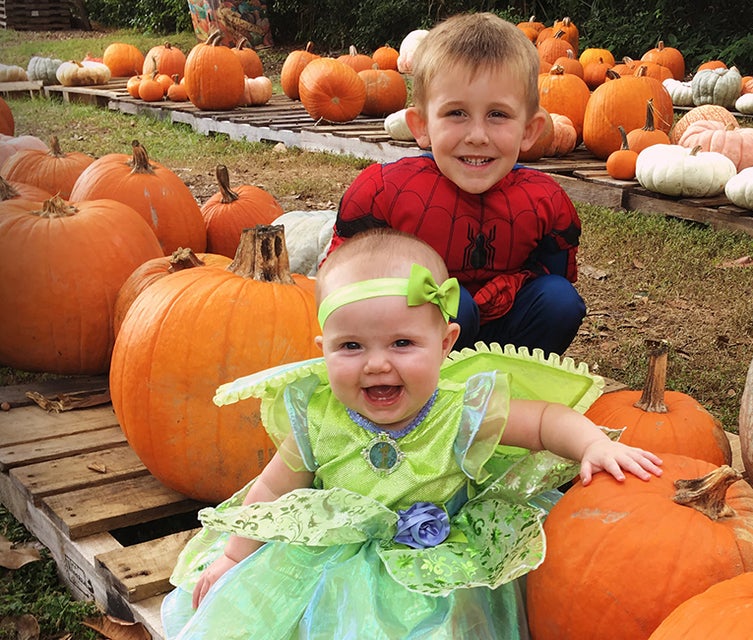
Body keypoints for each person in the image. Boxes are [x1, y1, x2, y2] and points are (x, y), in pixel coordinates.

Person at [161, 228, 662, 639]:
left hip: (438, 574)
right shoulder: (319, 417)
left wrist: (592, 443)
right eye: (352, 346)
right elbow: (272, 492)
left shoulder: (462, 412)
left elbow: (546, 421)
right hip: (329, 567)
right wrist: (231, 557)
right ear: (324, 349)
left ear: (445, 344)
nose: (377, 365)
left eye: (403, 343)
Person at [327, 12, 586, 355]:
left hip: (505, 323)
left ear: (530, 130)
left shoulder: (544, 199)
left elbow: (551, 276)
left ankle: (515, 382)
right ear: (421, 126)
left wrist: (503, 289)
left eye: (498, 114)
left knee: (560, 300)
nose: (477, 136)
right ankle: (429, 392)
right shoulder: (385, 191)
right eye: (456, 113)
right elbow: (344, 284)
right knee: (455, 302)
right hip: (410, 339)